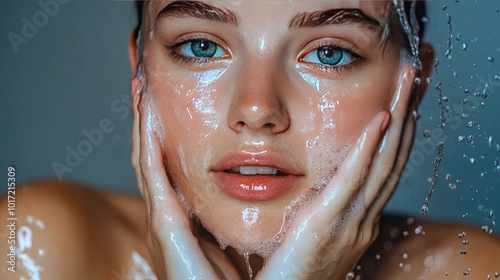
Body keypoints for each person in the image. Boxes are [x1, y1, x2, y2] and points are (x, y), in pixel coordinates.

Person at [1, 1, 499, 279]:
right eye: (200, 46)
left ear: (409, 87)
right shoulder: (30, 248)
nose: (257, 109)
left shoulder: (474, 273)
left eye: (328, 54)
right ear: (141, 71)